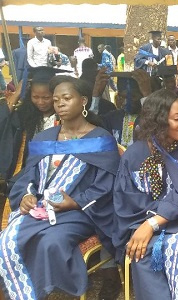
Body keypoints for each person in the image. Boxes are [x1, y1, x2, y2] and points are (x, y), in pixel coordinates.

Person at [0, 75, 119, 299]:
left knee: (50, 242)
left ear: (83, 100)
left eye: (66, 98)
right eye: (56, 100)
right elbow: (28, 175)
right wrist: (26, 195)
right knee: (6, 240)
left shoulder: (101, 139)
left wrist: (75, 202)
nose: (60, 104)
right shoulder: (45, 138)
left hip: (80, 212)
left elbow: (107, 185)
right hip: (41, 209)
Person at [112, 89, 178, 300]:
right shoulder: (134, 155)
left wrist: (155, 222)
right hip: (144, 222)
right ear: (158, 121)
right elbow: (128, 200)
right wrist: (161, 217)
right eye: (176, 118)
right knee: (141, 250)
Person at [0, 67, 70, 180]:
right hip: (26, 172)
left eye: (46, 97)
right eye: (35, 97)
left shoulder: (66, 116)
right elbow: (2, 120)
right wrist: (17, 94)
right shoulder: (24, 115)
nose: (40, 102)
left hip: (57, 173)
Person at [102, 70, 152, 147]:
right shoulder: (112, 117)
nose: (125, 102)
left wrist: (147, 95)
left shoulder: (148, 118)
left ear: (142, 96)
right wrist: (96, 95)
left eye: (133, 97)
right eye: (122, 97)